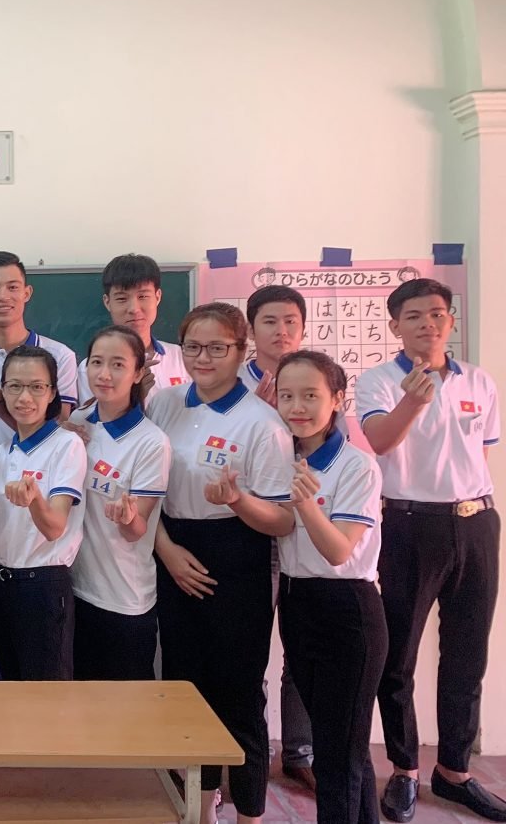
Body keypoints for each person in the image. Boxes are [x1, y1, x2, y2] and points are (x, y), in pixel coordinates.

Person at [355, 278, 505, 823]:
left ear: (451, 321)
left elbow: (479, 454)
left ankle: (455, 772)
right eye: (414, 316)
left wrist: (473, 511)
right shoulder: (377, 382)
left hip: (476, 522)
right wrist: (414, 401)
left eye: (438, 314)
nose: (428, 324)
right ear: (395, 325)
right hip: (409, 524)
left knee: (468, 654)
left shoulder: (479, 381)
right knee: (398, 655)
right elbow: (380, 441)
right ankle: (404, 769)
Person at [147, 302, 294, 824]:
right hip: (173, 550)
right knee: (186, 689)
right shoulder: (164, 403)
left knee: (239, 693)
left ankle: (250, 812)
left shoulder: (263, 423)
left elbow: (282, 520)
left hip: (237, 556)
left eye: (216, 348)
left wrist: (237, 501)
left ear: (240, 351)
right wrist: (166, 549)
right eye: (193, 347)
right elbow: (143, 488)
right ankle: (202, 808)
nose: (203, 358)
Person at [0, 251, 77, 680]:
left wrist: (3, 411)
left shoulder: (60, 355)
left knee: (39, 637)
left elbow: (54, 429)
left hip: (44, 498)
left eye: (11, 287)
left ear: (27, 292)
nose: (2, 296)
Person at [274, 350, 387, 824]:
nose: (297, 407)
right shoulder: (281, 457)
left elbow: (339, 550)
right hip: (297, 602)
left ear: (338, 399)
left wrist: (305, 504)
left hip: (348, 612)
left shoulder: (356, 466)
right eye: (286, 396)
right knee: (341, 742)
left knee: (338, 755)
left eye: (310, 395)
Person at [0, 345, 86, 681]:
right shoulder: (6, 450)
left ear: (52, 393)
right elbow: (1, 533)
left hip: (42, 588)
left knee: (45, 696)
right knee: (12, 688)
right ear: (2, 391)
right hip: (1, 583)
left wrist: (34, 500)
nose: (24, 397)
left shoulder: (67, 445)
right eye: (15, 386)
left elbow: (54, 527)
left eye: (36, 387)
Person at [241, 284, 317, 791]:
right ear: (251, 330)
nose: (282, 331)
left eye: (291, 321)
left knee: (302, 644)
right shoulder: (233, 384)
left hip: (306, 527)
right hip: (249, 527)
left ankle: (299, 750)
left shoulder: (313, 381)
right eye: (270, 321)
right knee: (248, 650)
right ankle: (249, 753)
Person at [69, 326, 171, 681]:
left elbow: (137, 530)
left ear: (138, 372)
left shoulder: (151, 442)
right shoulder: (77, 424)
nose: (104, 374)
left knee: (126, 708)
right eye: (96, 362)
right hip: (75, 590)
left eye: (117, 364)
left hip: (123, 598)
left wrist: (127, 517)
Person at [76, 254, 189, 406]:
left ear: (157, 297)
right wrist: (134, 396)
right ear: (107, 302)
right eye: (122, 299)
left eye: (143, 296)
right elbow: (94, 419)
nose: (134, 309)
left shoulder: (182, 357)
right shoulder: (92, 367)